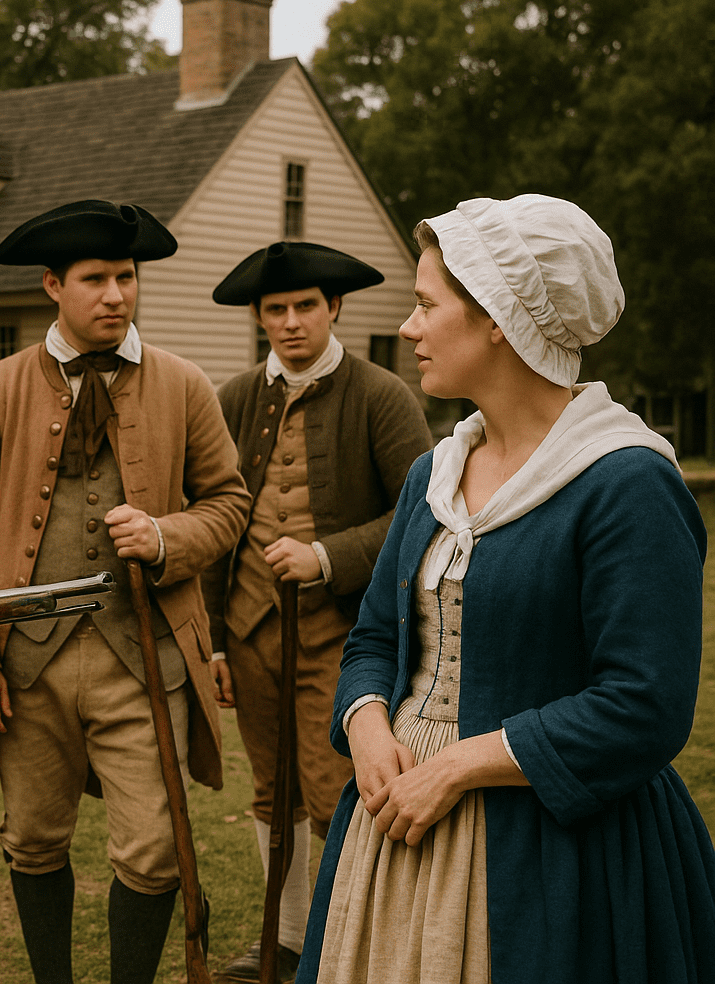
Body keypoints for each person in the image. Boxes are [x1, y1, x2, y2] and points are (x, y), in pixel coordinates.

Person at [298, 194, 715, 984]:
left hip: (554, 853)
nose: (410, 328)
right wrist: (365, 723)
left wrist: (458, 767)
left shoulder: (626, 482)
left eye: (425, 305)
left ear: (498, 316)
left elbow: (645, 704)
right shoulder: (436, 470)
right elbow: (377, 638)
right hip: (395, 832)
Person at [0, 200, 252, 984]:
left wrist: (169, 538)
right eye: (96, 279)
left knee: (151, 851)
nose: (116, 294)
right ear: (52, 285)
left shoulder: (183, 383)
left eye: (126, 276)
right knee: (34, 838)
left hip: (143, 664)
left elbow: (230, 503)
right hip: (24, 667)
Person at [201, 242, 432, 982]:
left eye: (306, 306)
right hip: (245, 629)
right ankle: (288, 935)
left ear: (334, 308)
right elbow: (212, 515)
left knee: (337, 790)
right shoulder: (235, 396)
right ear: (259, 318)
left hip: (338, 633)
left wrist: (328, 556)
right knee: (271, 793)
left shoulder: (381, 394)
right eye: (276, 310)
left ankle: (346, 945)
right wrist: (211, 641)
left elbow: (420, 508)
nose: (291, 321)